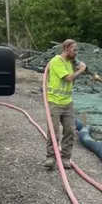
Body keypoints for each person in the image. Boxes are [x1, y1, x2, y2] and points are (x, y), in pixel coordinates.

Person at [44, 39, 87, 169]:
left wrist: (78, 70)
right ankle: (51, 157)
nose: (76, 53)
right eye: (74, 50)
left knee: (70, 130)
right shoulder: (57, 61)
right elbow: (68, 78)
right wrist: (81, 70)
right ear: (67, 49)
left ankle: (65, 158)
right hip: (55, 102)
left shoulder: (69, 63)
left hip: (68, 103)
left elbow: (71, 80)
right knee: (54, 131)